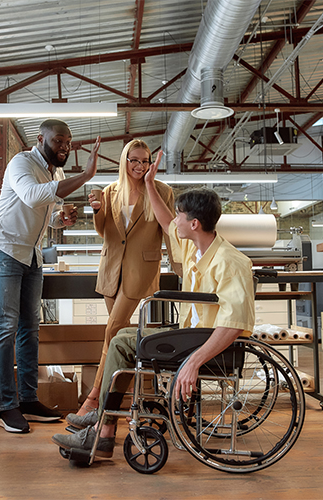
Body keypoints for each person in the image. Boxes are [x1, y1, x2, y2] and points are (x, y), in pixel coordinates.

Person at [52, 154, 255, 457]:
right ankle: (103, 424)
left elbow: (234, 323)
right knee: (121, 338)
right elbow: (164, 219)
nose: (175, 221)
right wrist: (149, 183)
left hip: (208, 344)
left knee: (122, 343)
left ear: (194, 223)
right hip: (191, 333)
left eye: (180, 216)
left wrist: (195, 362)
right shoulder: (195, 244)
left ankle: (103, 430)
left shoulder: (231, 262)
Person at [0, 119, 101, 433]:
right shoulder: (22, 162)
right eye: (59, 140)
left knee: (29, 329)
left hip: (30, 254)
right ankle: (7, 408)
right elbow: (33, 196)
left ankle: (29, 400)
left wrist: (62, 218)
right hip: (1, 248)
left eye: (68, 142)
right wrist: (85, 176)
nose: (64, 147)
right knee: (6, 325)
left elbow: (42, 215)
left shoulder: (54, 173)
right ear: (41, 139)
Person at [67, 139, 174, 422]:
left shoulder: (162, 191)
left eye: (145, 161)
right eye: (134, 160)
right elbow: (106, 233)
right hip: (111, 269)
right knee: (119, 339)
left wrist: (180, 266)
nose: (140, 166)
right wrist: (97, 210)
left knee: (112, 332)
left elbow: (169, 230)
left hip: (141, 270)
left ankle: (94, 401)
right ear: (124, 161)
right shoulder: (109, 191)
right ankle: (120, 403)